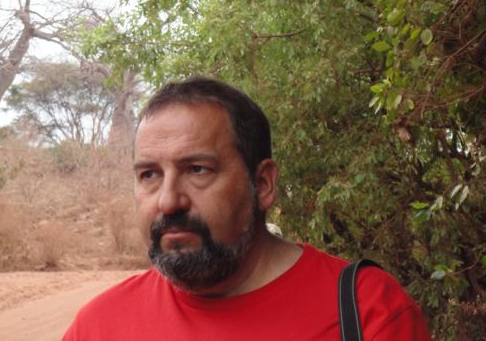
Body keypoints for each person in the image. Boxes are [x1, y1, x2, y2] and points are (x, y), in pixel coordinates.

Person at [63, 77, 430, 340]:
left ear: (263, 184)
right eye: (149, 175)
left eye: (197, 170)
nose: (168, 200)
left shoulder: (369, 312)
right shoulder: (97, 327)